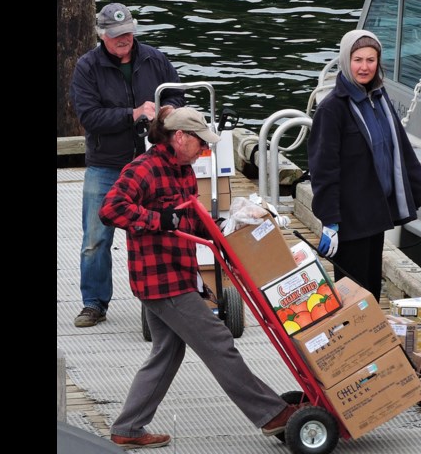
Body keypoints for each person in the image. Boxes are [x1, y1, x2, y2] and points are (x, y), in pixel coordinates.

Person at [99, 106, 300, 449]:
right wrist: (157, 218)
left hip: (180, 273)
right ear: (180, 137)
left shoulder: (185, 171)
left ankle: (128, 428)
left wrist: (231, 225)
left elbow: (192, 220)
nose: (205, 150)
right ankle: (270, 413)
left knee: (167, 352)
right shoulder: (144, 169)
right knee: (218, 342)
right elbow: (111, 209)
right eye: (200, 143)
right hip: (161, 281)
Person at [70, 2, 185, 328]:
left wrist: (167, 111)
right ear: (102, 35)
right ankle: (93, 303)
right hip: (106, 163)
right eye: (117, 35)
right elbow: (88, 117)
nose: (124, 39)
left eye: (128, 33)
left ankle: (168, 297)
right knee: (95, 238)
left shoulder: (155, 58)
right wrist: (132, 115)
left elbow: (178, 94)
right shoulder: (86, 67)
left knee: (165, 227)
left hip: (152, 161)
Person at [307, 29, 421, 301]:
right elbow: (324, 170)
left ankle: (372, 339)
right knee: (353, 295)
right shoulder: (332, 109)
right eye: (358, 60)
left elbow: (402, 150)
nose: (364, 67)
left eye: (371, 60)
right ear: (346, 60)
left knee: (372, 291)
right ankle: (357, 341)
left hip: (376, 215)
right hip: (350, 219)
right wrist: (330, 222)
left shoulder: (379, 97)